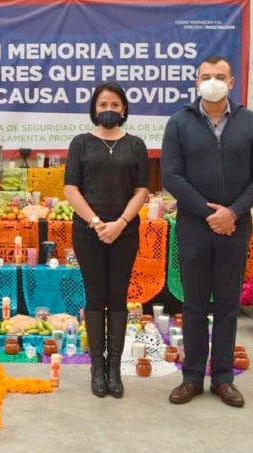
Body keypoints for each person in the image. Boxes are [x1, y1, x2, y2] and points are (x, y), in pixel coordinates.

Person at [161, 55, 253, 408]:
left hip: (235, 227)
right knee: (193, 305)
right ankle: (192, 377)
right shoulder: (179, 123)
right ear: (196, 81)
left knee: (226, 305)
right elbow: (171, 176)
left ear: (232, 82)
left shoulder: (251, 123)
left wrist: (233, 212)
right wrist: (209, 213)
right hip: (195, 227)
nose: (212, 81)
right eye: (206, 76)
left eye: (219, 76)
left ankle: (223, 378)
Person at [64, 81, 149, 399]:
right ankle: (96, 369)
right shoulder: (81, 143)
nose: (109, 110)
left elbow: (142, 189)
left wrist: (121, 222)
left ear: (124, 109)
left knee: (118, 296)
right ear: (94, 109)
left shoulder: (136, 144)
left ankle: (114, 369)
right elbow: (71, 188)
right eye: (103, 105)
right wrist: (98, 223)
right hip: (89, 232)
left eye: (115, 105)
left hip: (125, 232)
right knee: (94, 296)